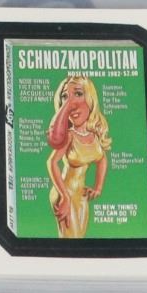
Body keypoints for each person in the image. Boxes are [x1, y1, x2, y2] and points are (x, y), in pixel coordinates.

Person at [46, 72, 111, 239]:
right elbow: (52, 163)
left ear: (90, 99)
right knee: (70, 239)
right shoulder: (69, 136)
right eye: (65, 97)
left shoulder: (94, 136)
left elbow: (102, 159)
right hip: (64, 193)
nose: (71, 104)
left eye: (78, 93)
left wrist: (98, 187)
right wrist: (64, 196)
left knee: (79, 237)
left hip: (81, 196)